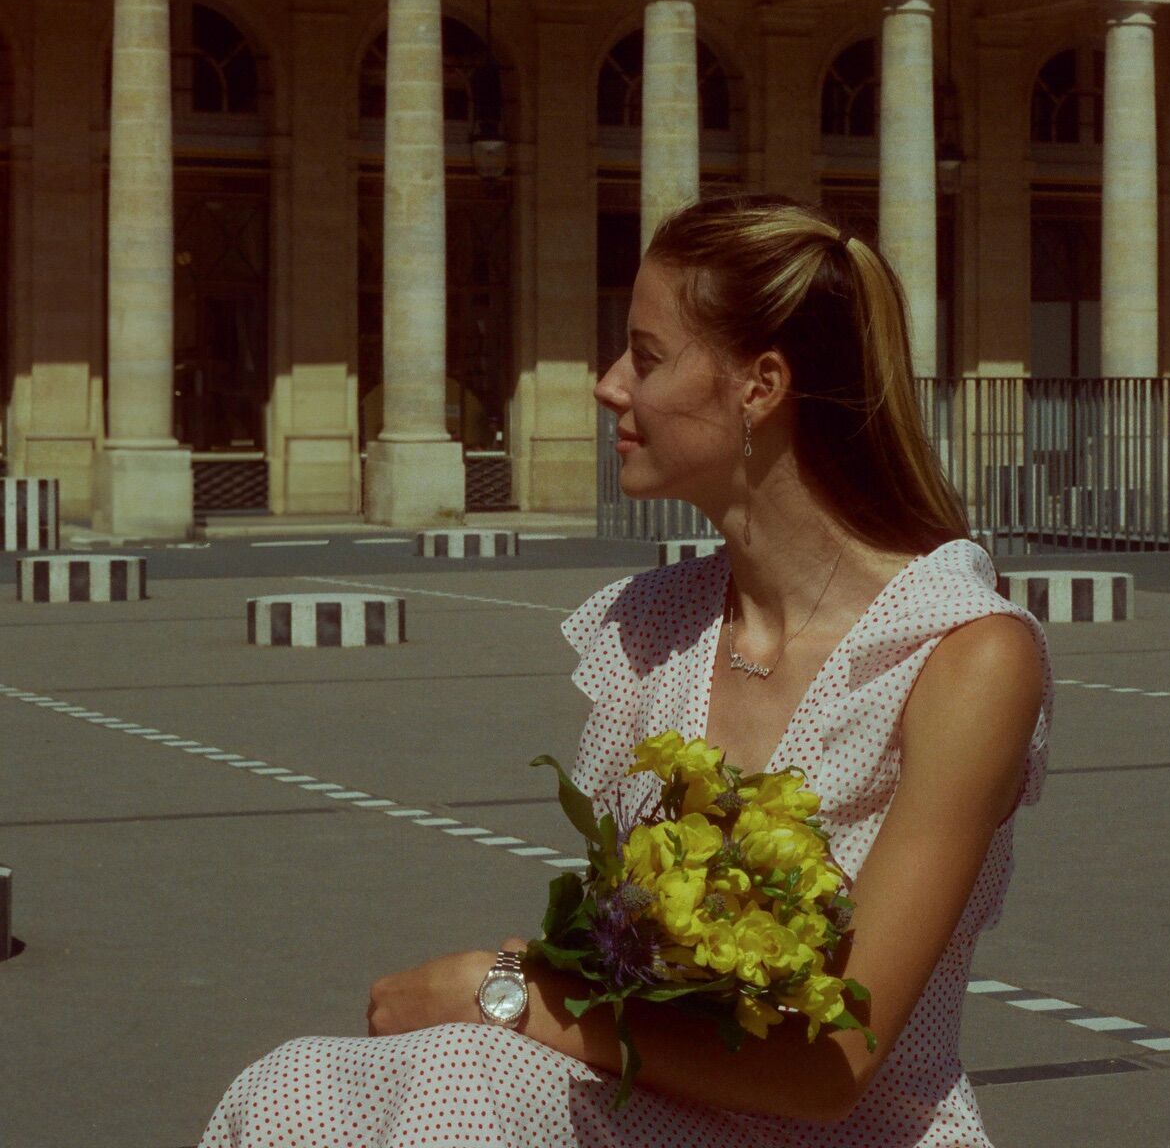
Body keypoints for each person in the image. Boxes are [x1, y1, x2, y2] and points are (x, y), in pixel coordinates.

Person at [197, 193, 1053, 1147]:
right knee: (296, 1089)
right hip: (657, 1108)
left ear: (758, 387)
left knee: (463, 1071)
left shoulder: (963, 657)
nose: (609, 385)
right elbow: (628, 984)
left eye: (645, 357)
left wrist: (503, 992)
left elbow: (831, 1071)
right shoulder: (658, 627)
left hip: (850, 1131)